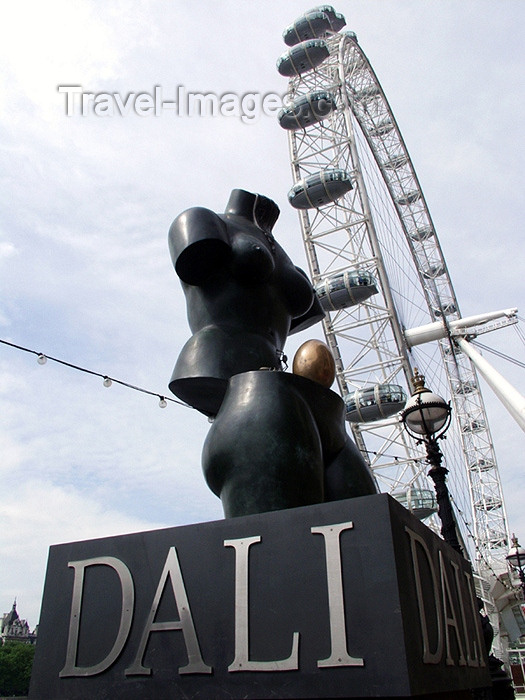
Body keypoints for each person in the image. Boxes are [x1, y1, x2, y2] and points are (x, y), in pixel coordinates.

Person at [169, 189, 376, 517]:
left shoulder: (280, 250)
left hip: (300, 398)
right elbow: (195, 262)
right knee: (285, 538)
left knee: (368, 526)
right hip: (236, 379)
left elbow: (302, 312)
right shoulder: (202, 220)